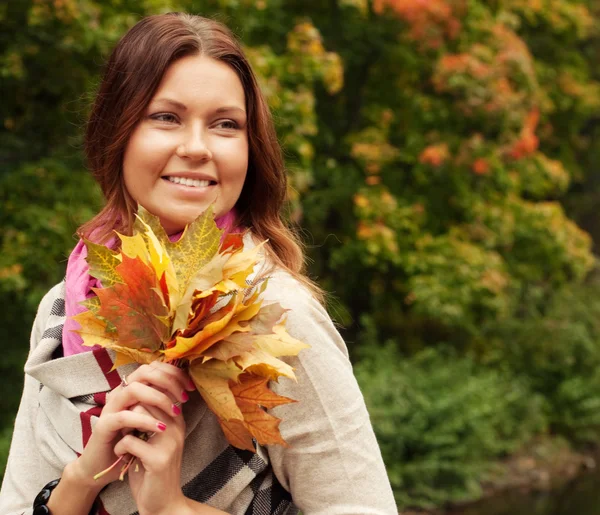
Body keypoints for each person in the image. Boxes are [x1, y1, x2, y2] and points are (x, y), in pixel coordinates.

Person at [0, 12, 396, 515]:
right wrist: (80, 479)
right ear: (116, 132)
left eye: (225, 125)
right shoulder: (61, 312)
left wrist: (173, 507)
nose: (196, 147)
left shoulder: (276, 315)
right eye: (165, 117)